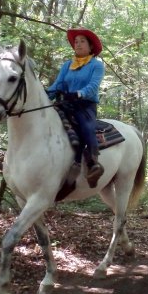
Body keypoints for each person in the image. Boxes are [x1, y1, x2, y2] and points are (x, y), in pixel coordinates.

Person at [46, 27, 105, 187]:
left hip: (85, 105)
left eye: (82, 41)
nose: (78, 44)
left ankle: (93, 164)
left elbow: (93, 86)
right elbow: (58, 84)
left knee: (86, 127)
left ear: (91, 46)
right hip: (65, 103)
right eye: (76, 42)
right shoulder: (67, 65)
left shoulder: (96, 65)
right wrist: (46, 95)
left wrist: (79, 93)